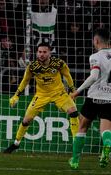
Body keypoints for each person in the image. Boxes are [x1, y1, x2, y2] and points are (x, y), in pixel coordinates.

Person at [3, 42, 80, 153]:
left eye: (44, 52)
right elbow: (25, 81)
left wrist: (73, 91)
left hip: (59, 93)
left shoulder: (59, 63)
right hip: (41, 95)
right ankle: (16, 143)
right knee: (26, 120)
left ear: (49, 53)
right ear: (37, 53)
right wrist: (16, 95)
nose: (42, 54)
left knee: (73, 112)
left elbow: (67, 76)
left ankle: (76, 142)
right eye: (39, 52)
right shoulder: (33, 67)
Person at [69, 28, 111, 170]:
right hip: (110, 98)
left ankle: (75, 160)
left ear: (96, 40)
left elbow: (93, 76)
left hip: (94, 97)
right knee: (106, 129)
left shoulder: (95, 56)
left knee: (82, 126)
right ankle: (107, 146)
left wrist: (77, 91)